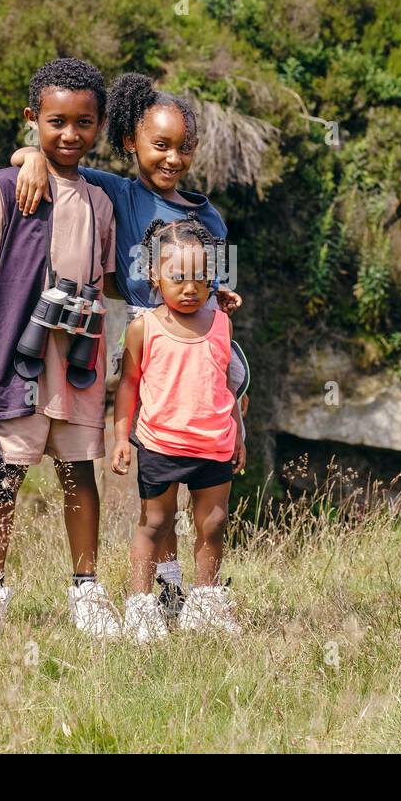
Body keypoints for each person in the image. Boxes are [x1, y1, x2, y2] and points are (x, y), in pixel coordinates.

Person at [9, 73, 248, 620]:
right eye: (160, 145)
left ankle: (200, 594)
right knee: (159, 482)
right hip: (153, 342)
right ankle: (164, 590)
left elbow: (222, 278)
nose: (172, 158)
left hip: (205, 341)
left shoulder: (208, 215)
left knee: (220, 439)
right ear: (130, 145)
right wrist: (31, 157)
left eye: (183, 147)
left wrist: (224, 293)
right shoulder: (121, 192)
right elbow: (56, 157)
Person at [0, 58, 120, 638]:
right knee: (4, 474)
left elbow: (113, 277)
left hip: (78, 364)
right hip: (16, 362)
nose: (70, 135)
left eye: (84, 123)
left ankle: (87, 592)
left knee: (80, 472)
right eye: (56, 123)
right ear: (32, 120)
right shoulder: (7, 184)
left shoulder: (101, 200)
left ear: (99, 126)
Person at [110, 217, 245, 642]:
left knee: (214, 522)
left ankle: (205, 603)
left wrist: (240, 431)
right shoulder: (143, 327)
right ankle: (142, 607)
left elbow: (226, 381)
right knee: (156, 522)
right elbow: (128, 384)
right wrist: (120, 437)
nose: (190, 288)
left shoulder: (221, 322)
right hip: (161, 443)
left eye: (202, 279)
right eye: (178, 278)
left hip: (215, 442)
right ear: (154, 275)